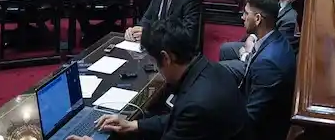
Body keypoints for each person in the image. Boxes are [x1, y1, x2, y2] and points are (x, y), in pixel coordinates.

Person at [76, 19, 247, 140]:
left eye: (154, 62)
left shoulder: (196, 105)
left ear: (166, 58)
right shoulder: (212, 68)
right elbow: (177, 119)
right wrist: (133, 125)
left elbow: (186, 118)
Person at [236, 0, 296, 140]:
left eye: (246, 13)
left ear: (257, 19)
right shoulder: (276, 38)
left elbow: (252, 118)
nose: (242, 17)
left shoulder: (267, 65)